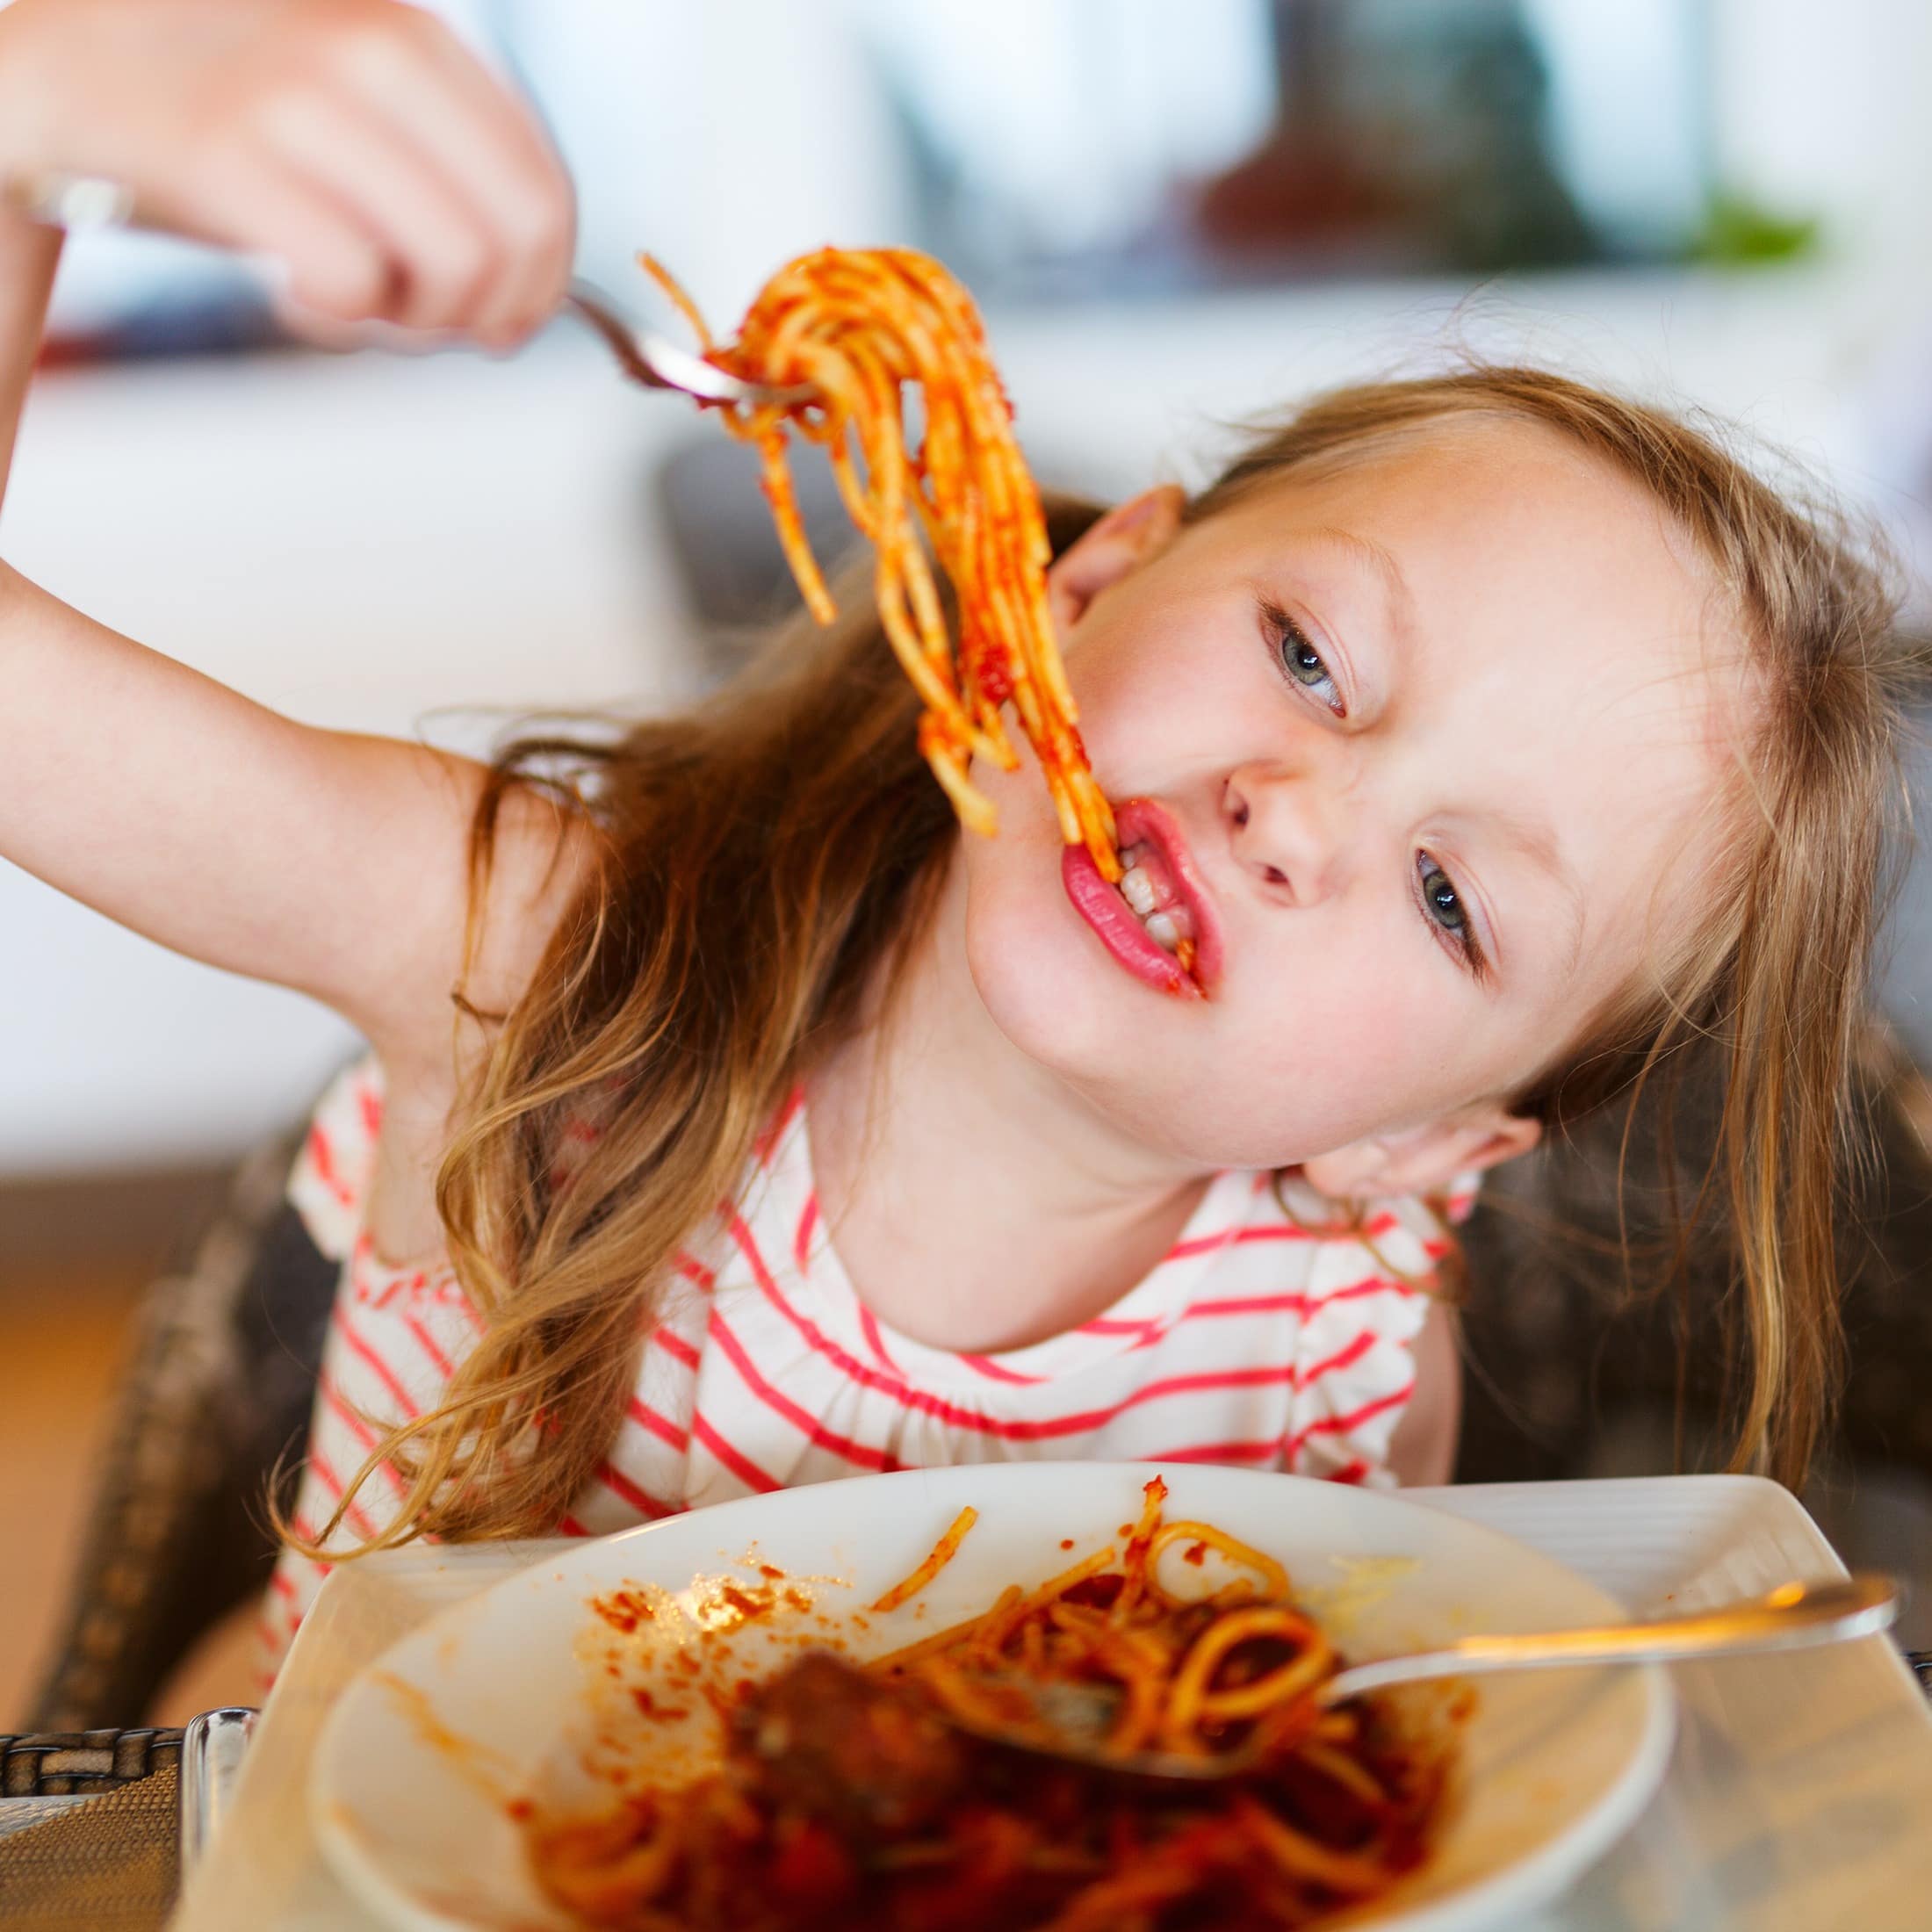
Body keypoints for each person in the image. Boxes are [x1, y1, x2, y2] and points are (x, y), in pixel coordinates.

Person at [0, 0, 1911, 1694]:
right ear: (1087, 576)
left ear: (1422, 1143)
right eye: (1306, 653)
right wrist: (53, 90)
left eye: (1444, 895)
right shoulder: (538, 953)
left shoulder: (1335, 1365)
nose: (1294, 808)